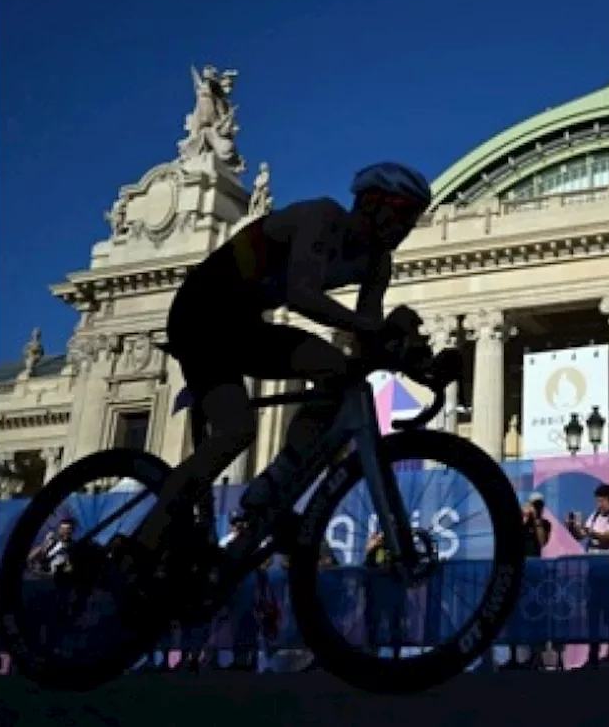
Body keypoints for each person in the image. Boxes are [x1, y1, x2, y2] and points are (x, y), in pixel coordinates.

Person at [130, 162, 437, 570]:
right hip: (202, 312)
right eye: (402, 212)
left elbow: (366, 347)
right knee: (237, 429)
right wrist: (378, 328)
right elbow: (302, 296)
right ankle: (142, 543)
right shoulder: (322, 217)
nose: (405, 227)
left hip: (244, 324)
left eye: (412, 218)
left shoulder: (378, 263)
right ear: (371, 203)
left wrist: (419, 361)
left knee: (339, 371)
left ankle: (275, 486)